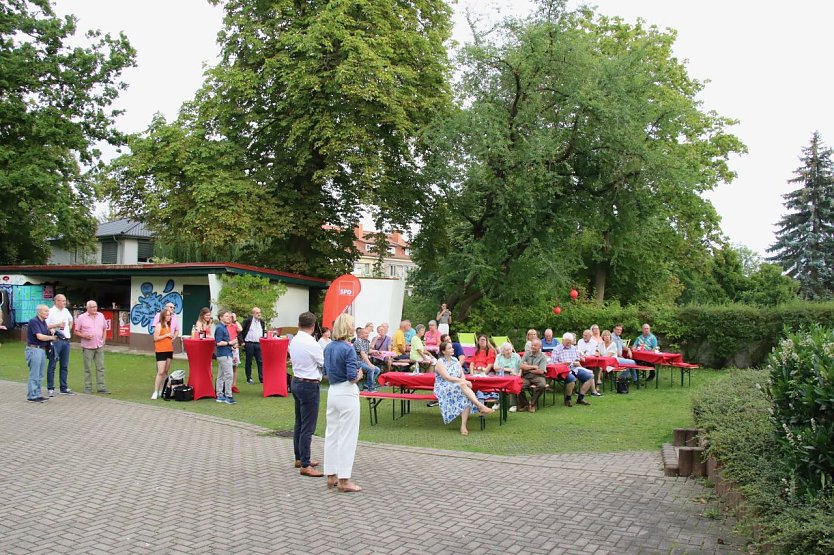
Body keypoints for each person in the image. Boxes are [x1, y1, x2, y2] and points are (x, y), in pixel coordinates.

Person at [323, 313, 364, 492]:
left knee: (332, 434)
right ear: (347, 327)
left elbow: (325, 373)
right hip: (347, 392)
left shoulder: (328, 347)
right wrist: (360, 375)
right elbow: (351, 376)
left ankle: (331, 474)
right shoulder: (348, 348)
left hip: (333, 391)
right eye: (352, 325)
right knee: (347, 436)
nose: (354, 328)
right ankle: (344, 479)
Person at [288, 311, 324, 476]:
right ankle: (305, 464)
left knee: (299, 422)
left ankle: (299, 457)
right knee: (308, 426)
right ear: (313, 325)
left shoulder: (295, 339)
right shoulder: (312, 343)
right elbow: (322, 363)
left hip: (297, 380)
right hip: (309, 383)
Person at [433, 341, 494, 436]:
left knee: (465, 396)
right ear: (444, 351)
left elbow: (462, 375)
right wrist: (464, 382)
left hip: (457, 385)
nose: (453, 349)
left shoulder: (455, 360)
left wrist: (464, 381)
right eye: (449, 348)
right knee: (463, 386)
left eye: (452, 347)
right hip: (444, 386)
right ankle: (480, 406)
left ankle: (463, 425)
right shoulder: (440, 362)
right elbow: (447, 378)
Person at [551, 332, 596, 406]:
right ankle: (568, 399)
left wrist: (577, 362)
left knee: (590, 377)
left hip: (574, 368)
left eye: (570, 342)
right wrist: (563, 364)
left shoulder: (574, 348)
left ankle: (580, 398)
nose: (568, 344)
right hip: (562, 370)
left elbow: (577, 358)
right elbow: (553, 363)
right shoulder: (557, 349)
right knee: (572, 379)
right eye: (567, 342)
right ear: (563, 340)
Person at [75, 300, 109, 394]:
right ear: (87, 308)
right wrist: (84, 336)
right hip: (87, 347)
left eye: (95, 306)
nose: (95, 309)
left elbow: (104, 329)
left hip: (99, 345)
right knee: (88, 368)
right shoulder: (81, 317)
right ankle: (88, 387)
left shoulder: (101, 315)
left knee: (100, 367)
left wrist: (103, 340)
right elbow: (76, 331)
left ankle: (101, 387)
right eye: (92, 307)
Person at [26, 304, 56, 402]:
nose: (47, 313)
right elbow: (39, 336)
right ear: (39, 312)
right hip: (34, 349)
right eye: (45, 311)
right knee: (34, 374)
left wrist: (51, 331)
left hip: (42, 349)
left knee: (40, 374)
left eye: (48, 311)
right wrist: (52, 338)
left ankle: (38, 394)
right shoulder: (34, 321)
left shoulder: (44, 322)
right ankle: (32, 395)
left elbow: (45, 333)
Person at [45, 294, 74, 396]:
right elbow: (46, 326)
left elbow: (71, 320)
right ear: (56, 301)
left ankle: (63, 387)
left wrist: (69, 328)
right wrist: (57, 325)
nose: (64, 303)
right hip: (56, 340)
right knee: (53, 364)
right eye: (62, 301)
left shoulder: (66, 311)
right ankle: (50, 388)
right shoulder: (51, 311)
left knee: (64, 365)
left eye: (65, 301)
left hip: (66, 340)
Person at [517, 339, 548, 412]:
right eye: (532, 345)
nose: (533, 347)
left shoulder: (543, 356)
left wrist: (527, 367)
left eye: (535, 345)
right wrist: (533, 367)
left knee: (542, 385)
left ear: (540, 347)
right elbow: (521, 366)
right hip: (526, 376)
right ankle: (524, 404)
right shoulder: (527, 354)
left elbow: (541, 371)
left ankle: (532, 403)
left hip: (538, 376)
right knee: (518, 386)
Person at [214, 310, 237, 404]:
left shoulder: (223, 327)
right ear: (221, 317)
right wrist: (230, 343)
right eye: (226, 316)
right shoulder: (220, 328)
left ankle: (220, 395)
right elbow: (218, 342)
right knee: (229, 375)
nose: (229, 318)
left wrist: (231, 346)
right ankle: (228, 395)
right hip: (224, 354)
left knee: (221, 375)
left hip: (225, 353)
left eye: (229, 316)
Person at [151, 308, 175, 399]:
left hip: (169, 349)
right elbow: (156, 338)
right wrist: (166, 335)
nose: (169, 317)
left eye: (170, 315)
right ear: (163, 316)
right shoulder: (159, 325)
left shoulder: (168, 325)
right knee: (160, 371)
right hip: (161, 350)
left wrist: (171, 337)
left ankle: (163, 389)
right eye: (167, 315)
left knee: (165, 371)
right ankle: (156, 391)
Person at [493, 342, 522, 412]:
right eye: (507, 350)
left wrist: (519, 375)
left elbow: (521, 367)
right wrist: (507, 369)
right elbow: (495, 367)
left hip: (513, 375)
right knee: (497, 383)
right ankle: (497, 402)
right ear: (502, 351)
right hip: (501, 375)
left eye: (510, 349)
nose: (509, 351)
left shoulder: (516, 356)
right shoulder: (499, 356)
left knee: (512, 383)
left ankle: (513, 405)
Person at [240, 307, 266, 384]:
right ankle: (249, 378)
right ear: (253, 314)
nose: (259, 314)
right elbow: (240, 331)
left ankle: (262, 378)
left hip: (258, 343)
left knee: (260, 361)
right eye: (257, 313)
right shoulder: (248, 321)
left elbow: (263, 332)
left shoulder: (262, 322)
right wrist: (242, 341)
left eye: (260, 312)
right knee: (249, 361)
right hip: (249, 343)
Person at [354, 325, 380, 392]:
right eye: (366, 333)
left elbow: (367, 351)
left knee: (377, 370)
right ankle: (370, 388)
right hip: (357, 362)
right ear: (361, 334)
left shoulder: (366, 341)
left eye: (368, 333)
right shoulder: (358, 341)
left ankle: (366, 385)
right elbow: (363, 353)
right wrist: (370, 364)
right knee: (371, 369)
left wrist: (375, 351)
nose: (367, 334)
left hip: (363, 362)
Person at [227, 312, 243, 393]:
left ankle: (234, 385)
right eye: (228, 317)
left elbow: (240, 329)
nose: (229, 319)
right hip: (227, 347)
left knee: (234, 367)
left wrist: (235, 320)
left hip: (234, 348)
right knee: (227, 367)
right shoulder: (224, 326)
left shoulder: (234, 326)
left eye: (231, 317)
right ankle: (227, 385)